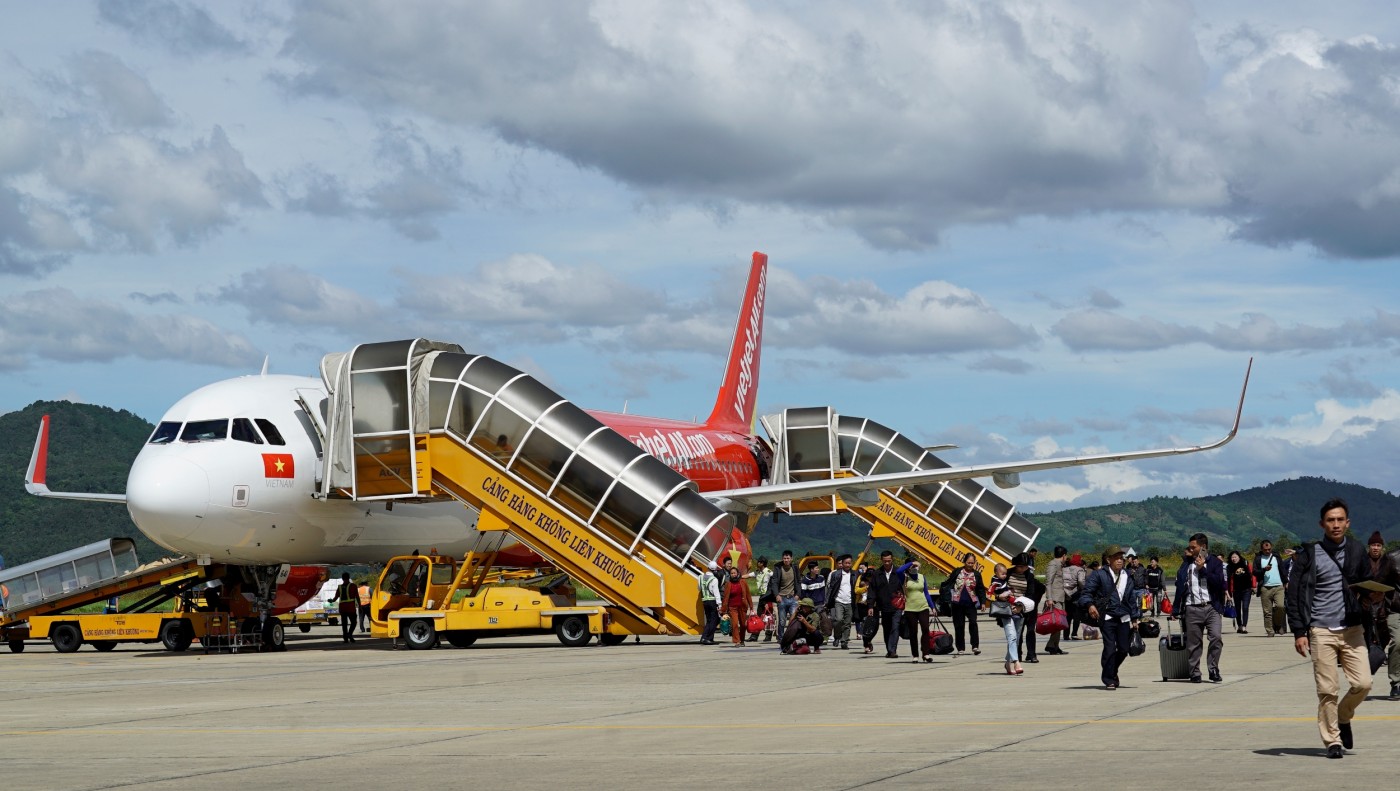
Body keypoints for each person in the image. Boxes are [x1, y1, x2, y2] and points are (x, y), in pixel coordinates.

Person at [1285, 499, 1374, 758]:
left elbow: (1366, 584)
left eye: (1340, 520)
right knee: (1327, 690)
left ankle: (1344, 716)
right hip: (1320, 630)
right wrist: (1299, 632)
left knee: (1364, 683)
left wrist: (1372, 596)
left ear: (1348, 523)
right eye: (1330, 520)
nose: (1335, 525)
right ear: (1322, 524)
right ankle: (1332, 741)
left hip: (1352, 628)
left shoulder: (1357, 551)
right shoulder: (1308, 555)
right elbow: (1295, 596)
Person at [1079, 546, 1142, 690]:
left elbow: (1131, 598)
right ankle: (1109, 679)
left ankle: (1112, 670)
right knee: (1109, 648)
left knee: (1124, 649)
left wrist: (1134, 618)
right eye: (1117, 558)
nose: (1120, 561)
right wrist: (1090, 605)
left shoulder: (1127, 575)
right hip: (1107, 616)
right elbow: (1087, 592)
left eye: (1122, 558)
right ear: (1108, 560)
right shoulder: (1099, 575)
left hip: (1124, 616)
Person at [1172, 533, 1226, 683]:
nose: (1190, 549)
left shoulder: (1215, 562)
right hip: (1192, 608)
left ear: (1203, 547)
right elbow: (1179, 587)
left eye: (1193, 547)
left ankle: (1213, 668)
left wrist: (1203, 569)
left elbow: (1219, 584)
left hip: (1211, 607)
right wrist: (1175, 609)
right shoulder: (1186, 564)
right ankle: (1194, 672)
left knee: (1216, 637)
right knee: (1194, 643)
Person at [1362, 531, 1400, 699]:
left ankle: (1396, 682)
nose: (1376, 548)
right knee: (1395, 642)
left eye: (1378, 545)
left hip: (1387, 609)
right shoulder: (1393, 558)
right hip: (1386, 608)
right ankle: (1392, 683)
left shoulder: (1388, 559)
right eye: (1373, 545)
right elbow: (1378, 583)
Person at [864, 550, 905, 658]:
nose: (887, 563)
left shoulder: (899, 572)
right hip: (884, 606)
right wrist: (870, 606)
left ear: (892, 560)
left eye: (889, 561)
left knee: (895, 627)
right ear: (881, 560)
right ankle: (889, 649)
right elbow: (872, 591)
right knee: (887, 628)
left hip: (897, 605)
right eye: (885, 561)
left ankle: (893, 650)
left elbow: (905, 588)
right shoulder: (877, 574)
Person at [896, 558, 935, 663]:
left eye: (916, 566)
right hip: (910, 608)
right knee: (913, 632)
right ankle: (915, 655)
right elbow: (898, 571)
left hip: (923, 607)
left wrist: (932, 607)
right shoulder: (904, 577)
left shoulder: (922, 577)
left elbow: (926, 593)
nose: (915, 568)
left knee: (925, 629)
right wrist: (911, 563)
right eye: (913, 567)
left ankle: (926, 653)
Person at [947, 552, 986, 656]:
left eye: (972, 563)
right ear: (964, 562)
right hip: (957, 603)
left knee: (973, 623)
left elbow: (981, 589)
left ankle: (975, 646)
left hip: (970, 603)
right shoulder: (957, 571)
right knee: (959, 625)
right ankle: (960, 648)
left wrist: (983, 602)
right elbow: (949, 584)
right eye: (968, 562)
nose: (970, 565)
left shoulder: (977, 574)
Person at [988, 563, 1023, 676]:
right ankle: (1016, 662)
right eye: (1002, 574)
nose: (1004, 576)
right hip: (1004, 610)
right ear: (996, 573)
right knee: (1012, 637)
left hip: (1014, 609)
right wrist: (991, 595)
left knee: (1015, 639)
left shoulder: (1004, 580)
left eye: (1005, 574)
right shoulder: (996, 581)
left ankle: (1008, 663)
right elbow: (991, 590)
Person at [1009, 552, 1043, 663]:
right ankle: (1017, 654)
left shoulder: (1029, 576)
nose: (1023, 568)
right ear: (1016, 565)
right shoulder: (1009, 574)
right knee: (1017, 632)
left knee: (1030, 630)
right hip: (1012, 607)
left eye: (1025, 566)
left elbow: (1031, 593)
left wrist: (1021, 605)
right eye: (1021, 566)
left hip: (1027, 606)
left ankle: (1031, 654)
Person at [824, 554, 859, 650]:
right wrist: (827, 601)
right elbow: (831, 588)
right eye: (846, 563)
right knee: (838, 620)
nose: (848, 565)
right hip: (838, 600)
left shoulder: (854, 574)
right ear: (842, 564)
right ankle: (837, 636)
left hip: (850, 602)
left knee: (847, 623)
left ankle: (844, 641)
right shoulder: (836, 574)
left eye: (849, 563)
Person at [1254, 540, 1287, 637]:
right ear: (1261, 549)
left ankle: (1278, 624)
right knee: (1267, 612)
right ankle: (1270, 630)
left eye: (1269, 549)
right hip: (1265, 587)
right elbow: (1255, 572)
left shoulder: (1276, 557)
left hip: (1278, 586)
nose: (1268, 551)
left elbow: (1282, 569)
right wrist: (1264, 569)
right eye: (1265, 550)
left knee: (1280, 607)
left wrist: (1286, 581)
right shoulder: (1258, 558)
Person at [767, 550, 799, 644]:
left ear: (791, 559)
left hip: (793, 597)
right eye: (784, 558)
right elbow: (774, 582)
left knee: (794, 619)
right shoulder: (778, 567)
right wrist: (777, 595)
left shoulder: (795, 567)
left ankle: (793, 636)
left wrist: (798, 594)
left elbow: (798, 581)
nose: (786, 560)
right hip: (782, 598)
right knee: (782, 620)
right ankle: (780, 637)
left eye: (788, 558)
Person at [1042, 546, 1068, 655]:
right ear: (1064, 555)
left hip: (1060, 597)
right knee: (1057, 622)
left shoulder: (1060, 565)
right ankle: (1051, 645)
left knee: (1059, 623)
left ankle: (1054, 645)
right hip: (1055, 598)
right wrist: (1049, 598)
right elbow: (1048, 582)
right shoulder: (1053, 564)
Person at [723, 568, 753, 647]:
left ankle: (742, 639)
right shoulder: (728, 584)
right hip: (732, 607)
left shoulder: (743, 582)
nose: (733, 575)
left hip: (742, 607)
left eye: (734, 573)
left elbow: (748, 595)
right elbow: (726, 597)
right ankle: (737, 641)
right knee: (735, 624)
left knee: (743, 625)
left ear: (738, 573)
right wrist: (723, 609)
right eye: (732, 573)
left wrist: (751, 606)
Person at [1226, 550, 1254, 633]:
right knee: (1237, 609)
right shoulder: (1229, 567)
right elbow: (1228, 580)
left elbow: (1251, 574)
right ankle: (1239, 625)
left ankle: (1244, 626)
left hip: (1246, 589)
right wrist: (1228, 593)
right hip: (1236, 590)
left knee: (1245, 608)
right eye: (1232, 557)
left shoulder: (1245, 564)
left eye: (1235, 557)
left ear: (1239, 557)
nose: (1234, 559)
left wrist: (1253, 586)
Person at [750, 556, 774, 642]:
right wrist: (738, 576)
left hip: (767, 596)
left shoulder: (769, 572)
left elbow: (776, 580)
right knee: (759, 616)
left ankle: (768, 636)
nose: (757, 563)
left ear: (762, 563)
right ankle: (754, 636)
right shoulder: (758, 572)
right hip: (761, 596)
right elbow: (748, 575)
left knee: (768, 616)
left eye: (759, 562)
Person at [1063, 554, 1086, 639]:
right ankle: (1074, 633)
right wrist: (1084, 589)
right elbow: (1081, 580)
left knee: (1067, 616)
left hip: (1065, 594)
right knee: (1077, 615)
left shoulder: (1064, 569)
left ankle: (1066, 635)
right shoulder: (1080, 569)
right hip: (1076, 594)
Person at [699, 562, 721, 645]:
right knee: (714, 620)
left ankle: (704, 637)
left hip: (704, 600)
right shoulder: (714, 579)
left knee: (709, 620)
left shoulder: (700, 577)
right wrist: (719, 604)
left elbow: (699, 588)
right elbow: (716, 592)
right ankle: (708, 638)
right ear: (715, 570)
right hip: (712, 601)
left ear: (707, 567)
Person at [334, 573, 359, 644]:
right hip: (350, 607)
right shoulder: (353, 586)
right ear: (349, 577)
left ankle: (345, 638)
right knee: (353, 622)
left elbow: (335, 598)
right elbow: (357, 596)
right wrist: (360, 606)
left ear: (342, 578)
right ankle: (350, 634)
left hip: (342, 608)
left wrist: (331, 600)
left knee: (344, 624)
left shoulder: (339, 587)